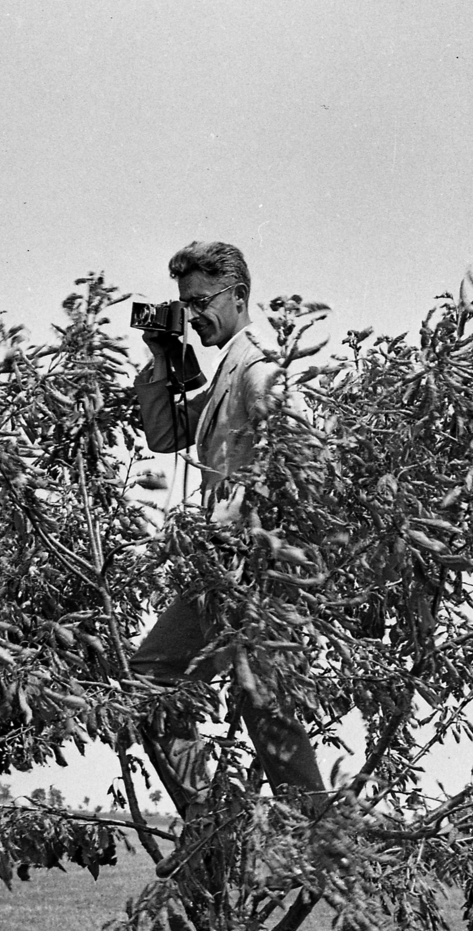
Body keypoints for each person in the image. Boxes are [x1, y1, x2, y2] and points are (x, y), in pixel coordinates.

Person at [131, 240, 325, 857]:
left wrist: (242, 509)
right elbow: (164, 435)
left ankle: (229, 820)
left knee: (157, 674)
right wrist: (164, 357)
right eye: (185, 305)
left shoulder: (258, 367)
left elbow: (304, 450)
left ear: (240, 296)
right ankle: (304, 835)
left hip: (250, 561)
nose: (193, 316)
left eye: (201, 302)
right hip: (234, 564)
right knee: (263, 699)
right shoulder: (226, 370)